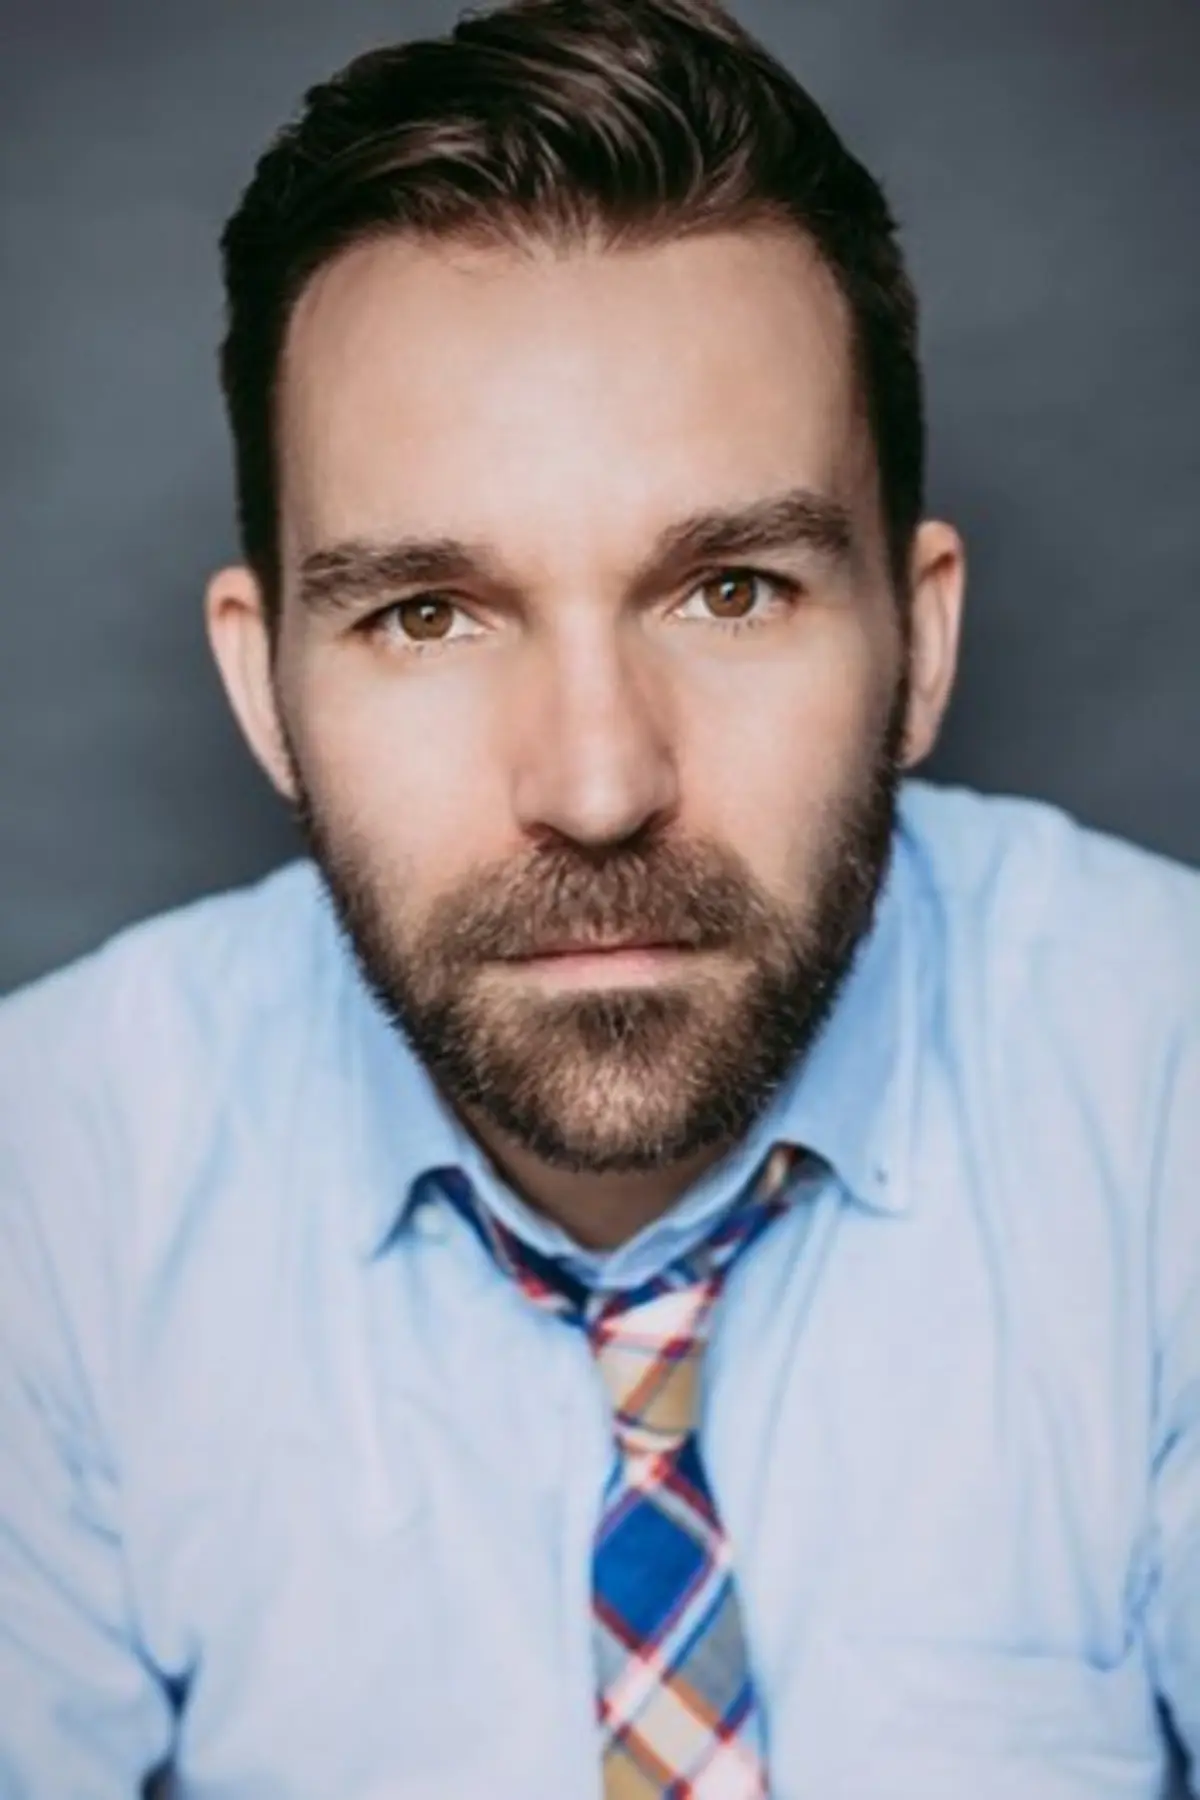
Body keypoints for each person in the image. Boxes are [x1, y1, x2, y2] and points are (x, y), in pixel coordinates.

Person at [0, 0, 1196, 1794]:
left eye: (733, 591)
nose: (597, 784)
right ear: (262, 689)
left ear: (922, 641)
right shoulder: (49, 1181)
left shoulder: (1172, 1084)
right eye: (427, 614)